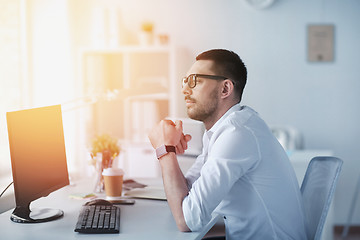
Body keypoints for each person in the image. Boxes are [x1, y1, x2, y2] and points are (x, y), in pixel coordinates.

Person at [148, 49, 307, 239]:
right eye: (185, 81)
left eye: (195, 81)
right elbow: (187, 196)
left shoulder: (237, 133)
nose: (184, 90)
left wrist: (165, 151)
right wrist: (169, 148)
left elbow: (186, 220)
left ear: (225, 89)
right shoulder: (222, 131)